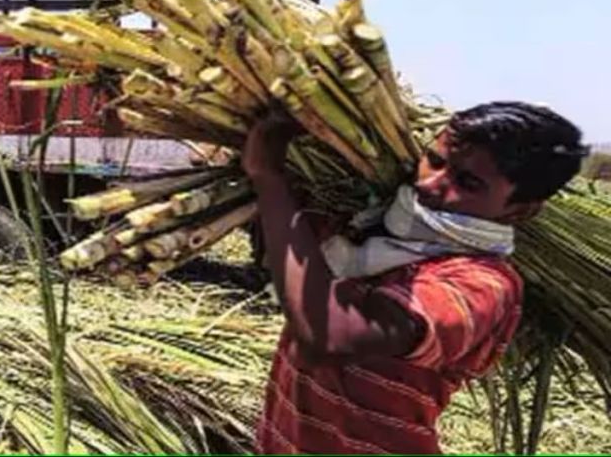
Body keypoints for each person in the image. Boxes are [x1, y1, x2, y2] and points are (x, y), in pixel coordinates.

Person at [242, 101, 587, 454]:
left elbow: (331, 334)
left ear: (520, 210)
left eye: (467, 182)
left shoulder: (480, 284)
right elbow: (282, 242)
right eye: (434, 161)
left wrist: (268, 177)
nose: (430, 184)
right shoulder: (365, 226)